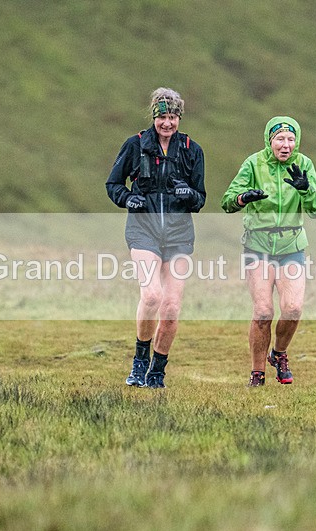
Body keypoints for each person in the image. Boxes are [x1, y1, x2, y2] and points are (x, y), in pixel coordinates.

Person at [106, 88, 206, 388]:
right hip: (143, 230)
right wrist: (127, 199)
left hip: (178, 236)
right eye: (162, 116)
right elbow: (113, 183)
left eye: (173, 116)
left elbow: (200, 198)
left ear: (179, 117)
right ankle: (139, 361)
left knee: (172, 308)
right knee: (151, 295)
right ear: (154, 116)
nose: (167, 123)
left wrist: (189, 195)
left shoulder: (192, 150)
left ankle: (157, 371)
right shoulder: (135, 145)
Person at [221, 116, 316, 387]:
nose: (286, 145)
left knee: (292, 308)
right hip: (258, 245)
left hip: (291, 245)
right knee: (264, 311)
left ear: (297, 141)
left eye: (291, 139)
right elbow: (227, 201)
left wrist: (305, 190)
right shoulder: (253, 164)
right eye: (280, 139)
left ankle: (279, 354)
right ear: (269, 140)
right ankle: (257, 373)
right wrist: (245, 198)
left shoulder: (304, 165)